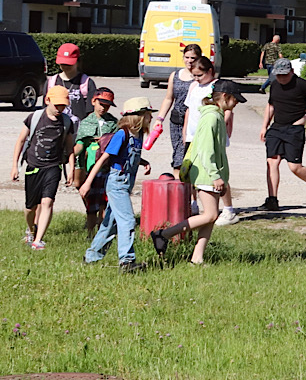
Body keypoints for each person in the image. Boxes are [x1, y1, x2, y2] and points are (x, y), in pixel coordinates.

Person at [154, 80, 244, 265]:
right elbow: (205, 149)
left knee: (211, 217)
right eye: (235, 99)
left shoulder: (216, 115)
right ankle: (163, 234)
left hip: (211, 173)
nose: (236, 103)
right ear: (225, 97)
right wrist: (215, 176)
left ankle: (197, 258)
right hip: (206, 173)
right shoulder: (211, 117)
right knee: (210, 215)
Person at [80, 97, 153, 271]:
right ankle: (127, 261)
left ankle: (91, 256)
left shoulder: (138, 135)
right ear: (138, 116)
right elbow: (104, 159)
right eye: (148, 114)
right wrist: (87, 183)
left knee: (110, 224)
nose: (151, 117)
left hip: (126, 184)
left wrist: (143, 162)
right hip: (117, 183)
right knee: (128, 221)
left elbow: (126, 156)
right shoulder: (122, 134)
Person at [11, 86, 77, 250]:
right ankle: (31, 230)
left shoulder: (66, 122)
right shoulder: (35, 118)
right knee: (30, 208)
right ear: (47, 100)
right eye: (57, 105)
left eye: (63, 106)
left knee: (47, 201)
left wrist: (71, 169)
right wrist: (15, 166)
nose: (60, 109)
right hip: (33, 167)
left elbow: (70, 148)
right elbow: (20, 141)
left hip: (53, 167)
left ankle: (38, 240)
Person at [260, 58, 306, 211]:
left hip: (294, 129)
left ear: (291, 72)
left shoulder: (300, 84)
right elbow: (270, 106)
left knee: (294, 167)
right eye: (278, 75)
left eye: (284, 75)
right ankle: (272, 200)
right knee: (272, 162)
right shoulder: (274, 85)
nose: (281, 78)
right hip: (276, 128)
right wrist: (264, 126)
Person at [74, 88, 118, 234]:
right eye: (101, 104)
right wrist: (70, 154)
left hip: (107, 167)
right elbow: (80, 144)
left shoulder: (113, 123)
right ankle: (90, 232)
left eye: (107, 105)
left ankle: (103, 231)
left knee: (105, 202)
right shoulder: (86, 122)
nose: (103, 108)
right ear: (93, 101)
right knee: (91, 203)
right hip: (90, 166)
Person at [157, 42, 203, 170]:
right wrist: (159, 119)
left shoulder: (200, 77)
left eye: (193, 58)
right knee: (178, 155)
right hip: (176, 120)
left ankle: (191, 181)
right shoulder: (175, 75)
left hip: (194, 121)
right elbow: (168, 98)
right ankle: (178, 180)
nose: (189, 61)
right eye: (187, 57)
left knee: (191, 155)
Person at [47, 42, 99, 121]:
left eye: (69, 64)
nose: (65, 66)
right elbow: (45, 109)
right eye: (63, 63)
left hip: (79, 126)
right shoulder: (52, 82)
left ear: (78, 62)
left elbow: (91, 112)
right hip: (56, 127)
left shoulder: (86, 82)